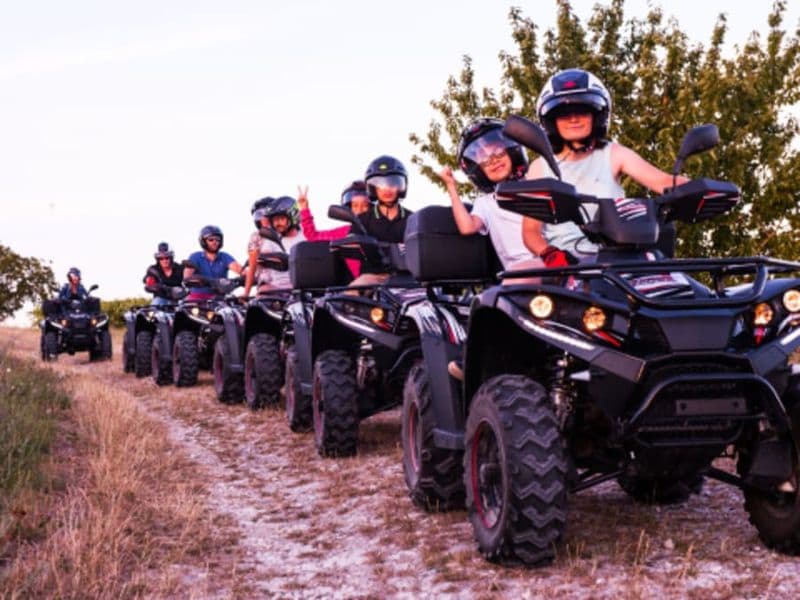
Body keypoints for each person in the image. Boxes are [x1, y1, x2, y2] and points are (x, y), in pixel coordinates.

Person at [522, 68, 687, 264]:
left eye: (582, 111)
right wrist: (550, 254)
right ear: (551, 121)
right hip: (561, 262)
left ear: (597, 115)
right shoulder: (539, 167)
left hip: (617, 256)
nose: (573, 119)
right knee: (515, 279)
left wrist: (701, 189)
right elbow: (530, 231)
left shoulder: (613, 153)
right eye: (564, 114)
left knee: (681, 286)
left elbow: (663, 181)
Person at [438, 117, 539, 273]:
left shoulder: (535, 182)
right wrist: (451, 187)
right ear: (478, 171)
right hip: (519, 271)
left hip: (552, 259)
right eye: (484, 159)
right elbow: (467, 227)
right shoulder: (485, 203)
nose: (493, 160)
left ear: (512, 151)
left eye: (498, 152)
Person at [348, 155, 413, 288]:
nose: (387, 189)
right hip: (373, 277)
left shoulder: (413, 219)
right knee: (349, 296)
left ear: (402, 186)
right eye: (380, 184)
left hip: (410, 279)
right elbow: (350, 244)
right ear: (372, 189)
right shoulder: (362, 220)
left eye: (393, 183)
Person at [296, 180, 371, 277]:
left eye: (365, 205)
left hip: (387, 284)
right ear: (348, 209)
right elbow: (313, 236)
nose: (360, 210)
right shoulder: (344, 232)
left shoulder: (382, 228)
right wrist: (304, 209)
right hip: (360, 285)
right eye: (355, 206)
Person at [242, 196, 306, 297]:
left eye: (265, 215)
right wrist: (246, 292)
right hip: (271, 288)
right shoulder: (258, 237)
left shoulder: (303, 232)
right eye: (259, 215)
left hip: (298, 288)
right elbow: (253, 264)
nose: (263, 219)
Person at [184, 225, 243, 301]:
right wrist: (193, 279)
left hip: (219, 299)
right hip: (197, 299)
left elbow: (240, 270)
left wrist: (246, 276)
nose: (215, 242)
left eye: (217, 239)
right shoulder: (195, 257)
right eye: (211, 239)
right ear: (203, 241)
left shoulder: (225, 257)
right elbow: (187, 276)